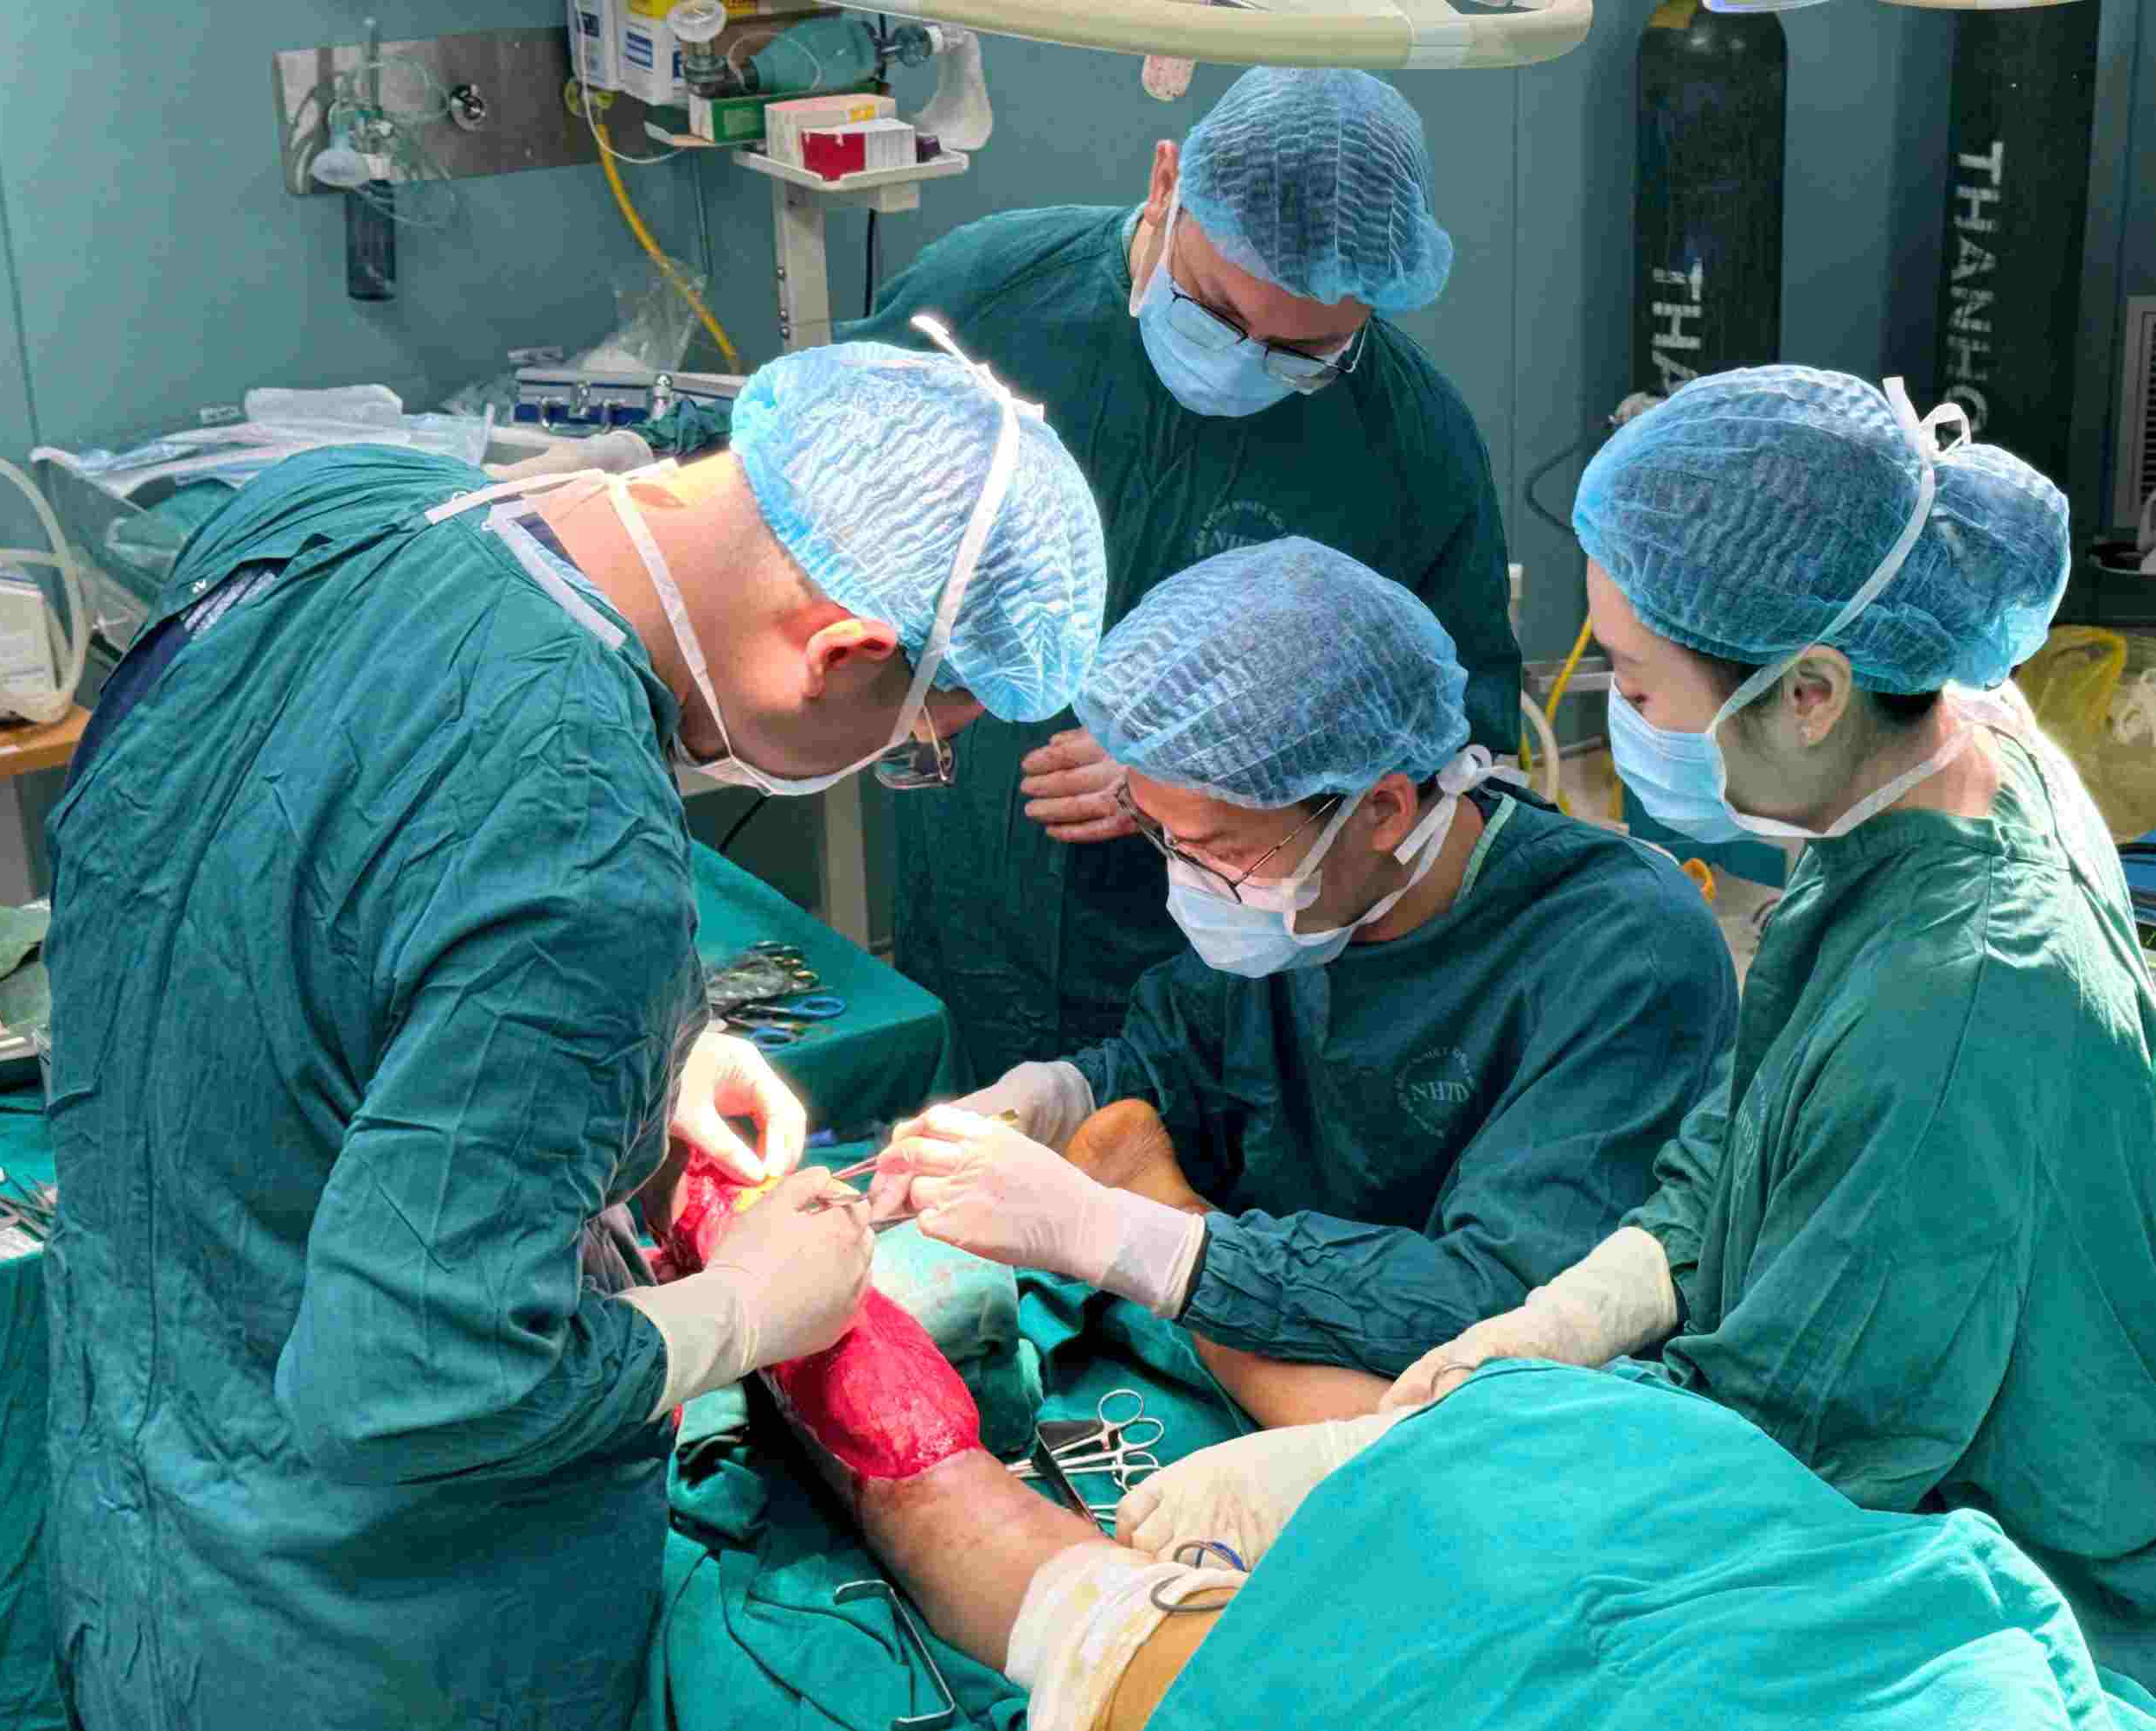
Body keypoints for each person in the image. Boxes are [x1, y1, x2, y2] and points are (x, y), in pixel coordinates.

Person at [39, 334, 1108, 1731]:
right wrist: (741, 1311)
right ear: (842, 648)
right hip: (377, 1635)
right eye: (928, 726)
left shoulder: (352, 503)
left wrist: (641, 1041)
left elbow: (274, 898)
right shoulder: (577, 856)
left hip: (149, 1512)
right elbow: (412, 1394)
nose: (929, 757)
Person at [1374, 367, 2156, 1693]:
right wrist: (1576, 1310)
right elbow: (1765, 1110)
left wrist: (1417, 1467)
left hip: (2013, 1596)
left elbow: (1788, 1438)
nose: (1624, 724)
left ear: (1806, 691)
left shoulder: (1959, 995)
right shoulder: (1937, 750)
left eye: (1633, 678)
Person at [669, 1148, 2156, 1731]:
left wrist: (745, 1294)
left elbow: (990, 1538)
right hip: (1714, 1521)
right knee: (1478, 1443)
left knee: (1047, 1573)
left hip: (1639, 1543)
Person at [867, 539, 1737, 1428]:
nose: (1192, 880)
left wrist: (1149, 1244)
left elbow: (1504, 1303)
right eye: (1163, 835)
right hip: (1286, 1361)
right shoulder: (1306, 906)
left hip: (1500, 1420)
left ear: (1385, 809)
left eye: (1223, 851)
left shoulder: (1625, 951)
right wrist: (1053, 1097)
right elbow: (1182, 1055)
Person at [845, 67, 1525, 1088]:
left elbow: (1458, 752)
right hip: (975, 893)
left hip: (1222, 970)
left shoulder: (1410, 445)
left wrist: (1202, 768)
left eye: (1304, 355)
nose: (1246, 364)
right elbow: (821, 505)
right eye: (1212, 312)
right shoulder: (984, 303)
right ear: (1166, 185)